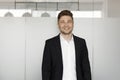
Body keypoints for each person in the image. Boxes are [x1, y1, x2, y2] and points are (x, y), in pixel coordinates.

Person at [42, 10, 91, 80]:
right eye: (62, 22)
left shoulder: (81, 43)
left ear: (73, 23)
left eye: (69, 21)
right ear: (58, 24)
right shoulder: (50, 44)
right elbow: (46, 70)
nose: (66, 25)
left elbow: (86, 69)